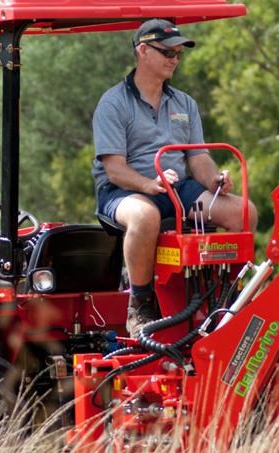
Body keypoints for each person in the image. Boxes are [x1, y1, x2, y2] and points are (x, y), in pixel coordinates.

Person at [92, 18, 257, 337]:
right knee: (144, 215)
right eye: (167, 52)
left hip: (177, 188)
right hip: (123, 191)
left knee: (244, 212)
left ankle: (226, 299)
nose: (175, 59)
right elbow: (114, 168)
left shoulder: (185, 103)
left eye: (178, 53)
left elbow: (198, 158)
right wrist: (147, 184)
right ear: (143, 51)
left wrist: (214, 181)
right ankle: (139, 304)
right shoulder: (113, 103)